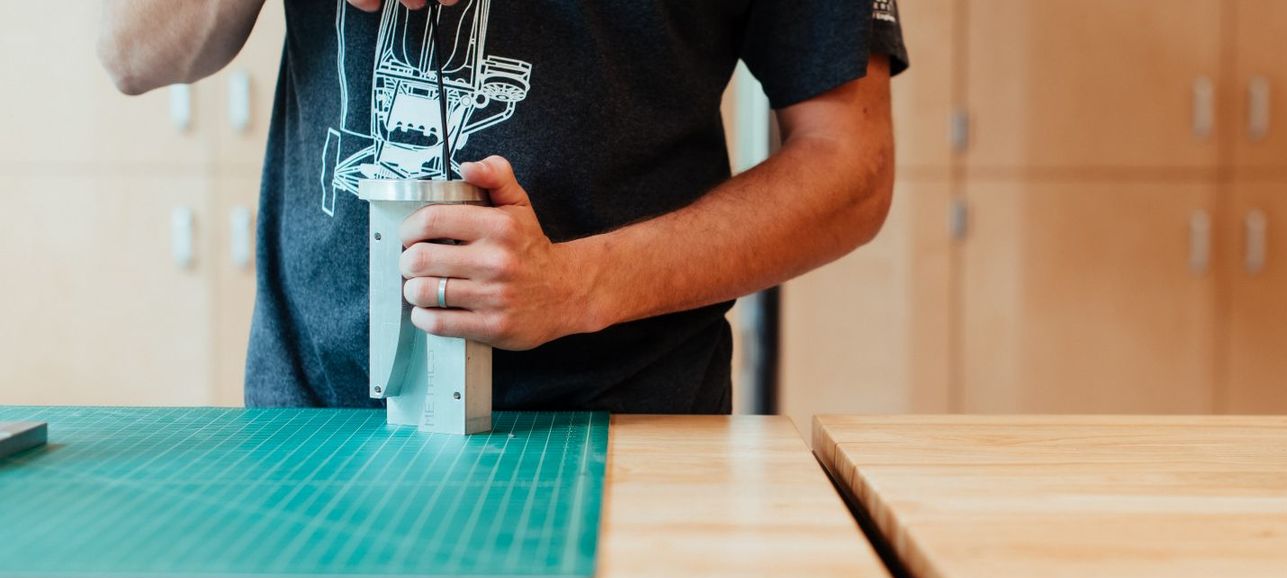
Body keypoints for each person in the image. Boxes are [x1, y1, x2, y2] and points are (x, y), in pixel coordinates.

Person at [97, 0, 908, 414]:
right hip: (314, 422)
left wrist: (580, 284)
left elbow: (851, 166)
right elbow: (129, 50)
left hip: (628, 427)